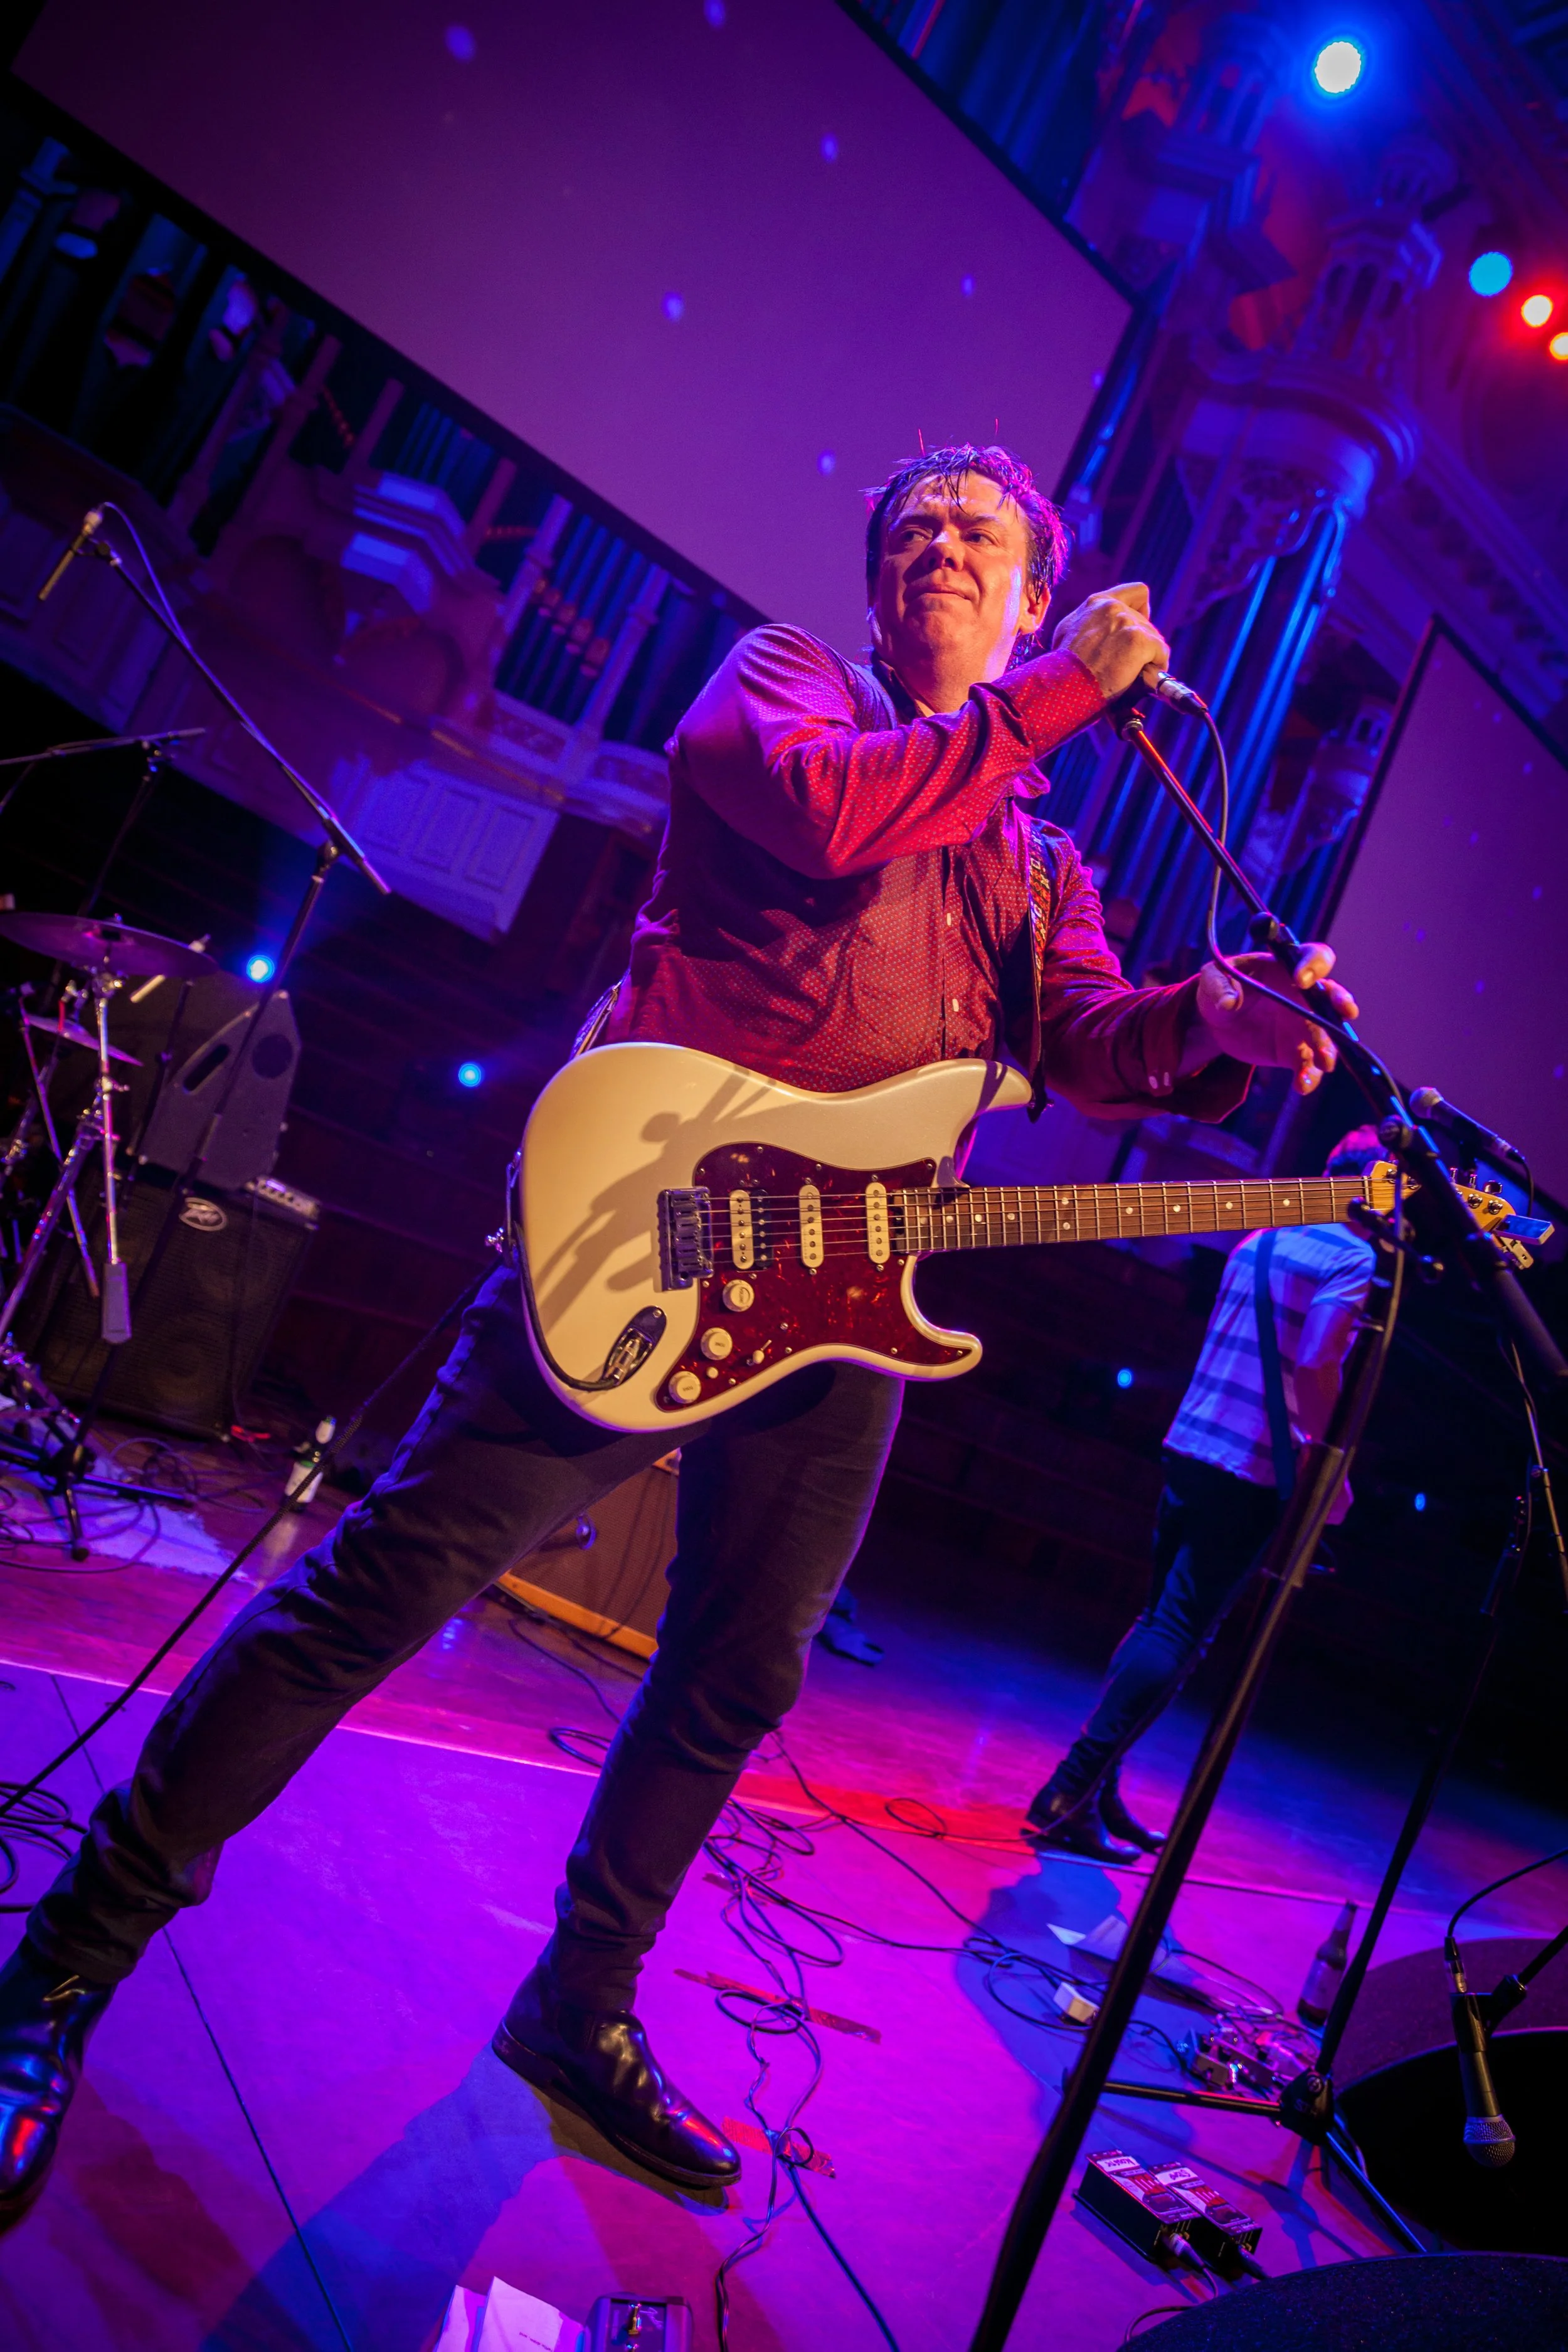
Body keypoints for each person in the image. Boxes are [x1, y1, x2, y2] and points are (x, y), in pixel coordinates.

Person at [0, 443, 1357, 2226]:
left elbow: (1091, 1039)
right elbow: (832, 816)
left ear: (1036, 589)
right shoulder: (782, 680)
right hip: (653, 1225)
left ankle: (578, 2000)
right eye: (909, 530)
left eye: (979, 535)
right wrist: (1056, 699)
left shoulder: (1035, 854)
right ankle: (66, 1958)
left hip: (850, 1286)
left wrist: (1215, 1019)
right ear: (882, 589)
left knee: (738, 1667)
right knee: (385, 1590)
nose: (936, 546)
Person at [1022, 1126, 1383, 1863]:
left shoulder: (1266, 1235)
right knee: (1180, 1632)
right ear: (1377, 1193)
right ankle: (1069, 1789)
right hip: (1248, 1467)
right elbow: (1314, 1363)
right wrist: (1330, 1473)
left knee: (1158, 1620)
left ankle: (1099, 1790)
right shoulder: (1353, 1256)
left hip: (1190, 1442)